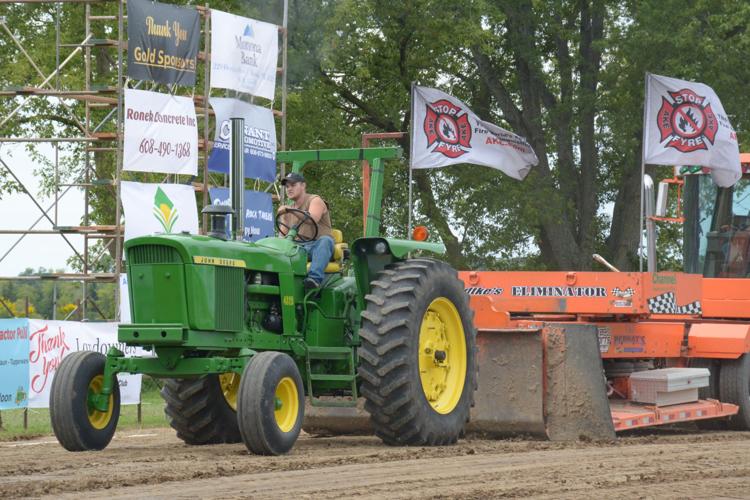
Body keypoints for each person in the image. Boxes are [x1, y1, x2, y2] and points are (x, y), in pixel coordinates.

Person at [278, 172, 334, 289]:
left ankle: (314, 279)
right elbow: (282, 237)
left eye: (292, 185)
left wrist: (289, 210)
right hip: (297, 248)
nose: (289, 189)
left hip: (316, 247)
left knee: (325, 241)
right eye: (287, 186)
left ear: (303, 186)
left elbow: (311, 218)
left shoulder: (315, 200)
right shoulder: (287, 210)